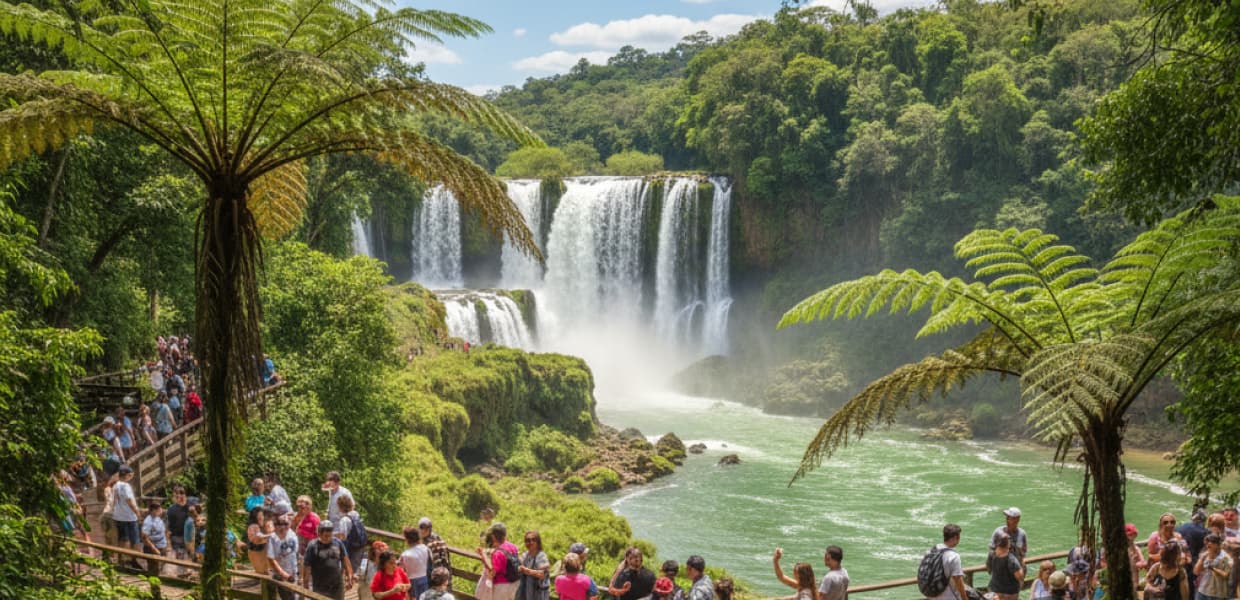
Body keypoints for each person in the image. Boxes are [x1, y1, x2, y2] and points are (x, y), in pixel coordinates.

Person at [304, 521, 354, 600]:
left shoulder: (338, 543)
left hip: (337, 583)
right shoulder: (313, 546)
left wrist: (350, 578)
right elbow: (307, 565)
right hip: (320, 585)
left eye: (330, 535)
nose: (328, 538)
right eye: (326, 536)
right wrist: (306, 583)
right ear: (319, 534)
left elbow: (345, 560)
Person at [479, 522, 521, 600]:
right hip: (514, 585)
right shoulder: (513, 546)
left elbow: (492, 572)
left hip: (501, 587)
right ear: (504, 535)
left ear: (493, 537)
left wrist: (484, 556)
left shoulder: (498, 553)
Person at [112, 465, 143, 567]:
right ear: (126, 475)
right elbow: (129, 500)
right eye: (130, 475)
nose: (131, 477)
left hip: (118, 516)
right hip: (129, 517)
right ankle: (135, 560)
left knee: (122, 539)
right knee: (135, 539)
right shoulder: (126, 486)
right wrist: (137, 512)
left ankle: (122, 560)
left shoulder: (115, 485)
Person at [267, 515, 300, 600]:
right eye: (280, 524)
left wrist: (298, 574)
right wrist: (283, 574)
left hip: (293, 574)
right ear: (275, 525)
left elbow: (295, 554)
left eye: (285, 524)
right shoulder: (272, 538)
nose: (283, 526)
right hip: (280, 576)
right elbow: (271, 559)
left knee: (294, 597)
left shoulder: (292, 534)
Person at [931, 524, 967, 600]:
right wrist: (965, 598)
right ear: (954, 538)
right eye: (958, 537)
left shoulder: (933, 550)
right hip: (948, 596)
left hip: (933, 594)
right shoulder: (953, 556)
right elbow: (958, 580)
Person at [1194, 533, 1232, 600]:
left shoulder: (1226, 558)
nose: (1209, 544)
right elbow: (1196, 572)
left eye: (1212, 542)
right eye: (1207, 542)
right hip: (1203, 591)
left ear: (1218, 544)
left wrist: (1212, 568)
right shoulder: (1204, 555)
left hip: (1218, 593)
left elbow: (1226, 575)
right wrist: (1202, 559)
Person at [987, 533, 1024, 600]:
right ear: (1008, 544)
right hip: (1010, 593)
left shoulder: (991, 554)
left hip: (994, 591)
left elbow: (989, 569)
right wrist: (1022, 564)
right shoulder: (1011, 560)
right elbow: (1019, 576)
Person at [335, 494, 366, 572]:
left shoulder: (344, 520)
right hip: (359, 547)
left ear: (341, 506)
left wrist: (332, 535)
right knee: (352, 571)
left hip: (350, 549)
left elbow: (342, 536)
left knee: (345, 571)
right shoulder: (355, 515)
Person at [518, 530, 550, 600]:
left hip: (539, 593)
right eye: (527, 540)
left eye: (533, 540)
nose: (531, 542)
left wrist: (526, 570)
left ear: (538, 542)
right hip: (527, 593)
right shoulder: (525, 555)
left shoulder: (541, 556)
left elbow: (542, 574)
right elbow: (518, 565)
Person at [165, 486, 191, 574]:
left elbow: (197, 518)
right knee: (179, 554)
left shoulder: (190, 507)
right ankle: (181, 572)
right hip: (177, 536)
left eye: (181, 494)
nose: (179, 497)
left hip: (190, 536)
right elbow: (169, 525)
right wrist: (168, 539)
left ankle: (184, 571)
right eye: (176, 495)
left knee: (189, 554)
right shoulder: (171, 509)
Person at [402, 526, 433, 599]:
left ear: (407, 539)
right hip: (424, 579)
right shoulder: (426, 549)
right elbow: (430, 564)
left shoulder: (405, 554)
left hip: (411, 582)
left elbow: (401, 570)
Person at [141, 501, 169, 576]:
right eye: (159, 509)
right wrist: (155, 550)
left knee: (161, 568)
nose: (161, 511)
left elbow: (164, 532)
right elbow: (144, 537)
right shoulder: (148, 521)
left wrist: (167, 545)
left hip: (161, 546)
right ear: (153, 510)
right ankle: (153, 585)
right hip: (152, 548)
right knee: (153, 569)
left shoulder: (158, 518)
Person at [246, 505, 273, 575]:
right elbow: (258, 536)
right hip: (256, 552)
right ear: (255, 516)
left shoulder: (257, 526)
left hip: (257, 551)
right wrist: (270, 535)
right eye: (260, 515)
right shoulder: (254, 526)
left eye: (262, 515)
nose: (262, 517)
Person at [1124, 523, 1147, 594]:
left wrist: (1142, 563)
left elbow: (1142, 560)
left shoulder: (1135, 548)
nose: (1132, 537)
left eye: (1133, 535)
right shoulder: (1123, 549)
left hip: (1134, 574)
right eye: (1130, 535)